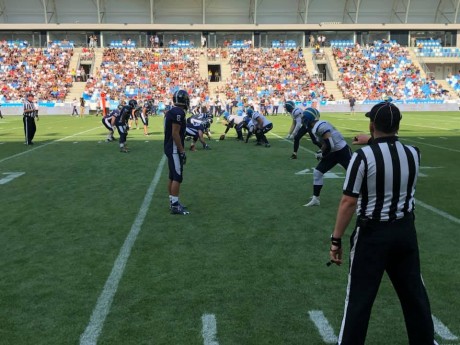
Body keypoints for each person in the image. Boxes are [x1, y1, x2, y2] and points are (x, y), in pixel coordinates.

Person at [328, 102, 438, 345]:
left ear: (371, 124)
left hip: (372, 235)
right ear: (398, 126)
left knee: (358, 299)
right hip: (405, 232)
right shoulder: (414, 153)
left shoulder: (361, 158)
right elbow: (390, 152)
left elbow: (348, 201)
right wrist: (372, 141)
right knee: (414, 296)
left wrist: (336, 239)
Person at [302, 111, 352, 207]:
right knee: (318, 172)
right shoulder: (319, 125)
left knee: (354, 174)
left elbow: (330, 145)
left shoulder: (321, 127)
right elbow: (327, 142)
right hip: (333, 152)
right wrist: (321, 151)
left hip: (342, 151)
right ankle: (316, 199)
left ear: (308, 119)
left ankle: (363, 197)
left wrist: (323, 155)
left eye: (304, 119)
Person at [164, 90, 190, 215]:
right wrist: (182, 150)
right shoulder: (178, 112)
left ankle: (172, 201)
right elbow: (175, 133)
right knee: (178, 176)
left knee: (172, 176)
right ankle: (174, 205)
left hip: (170, 147)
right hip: (174, 148)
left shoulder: (173, 111)